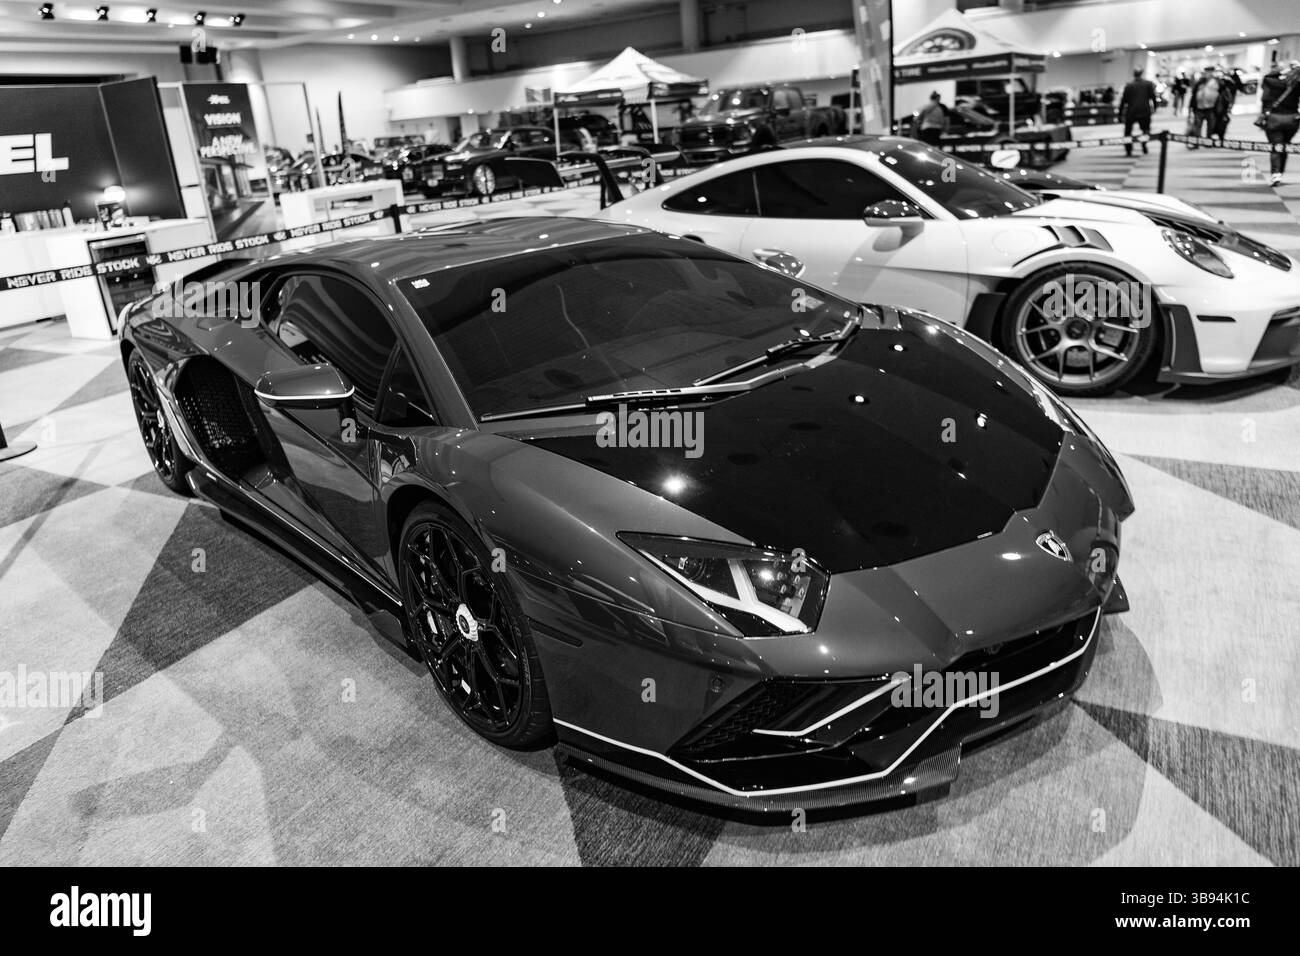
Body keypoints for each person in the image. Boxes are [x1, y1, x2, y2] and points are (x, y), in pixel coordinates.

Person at [1260, 61, 1300, 185]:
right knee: (1285, 145)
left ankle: (1275, 173)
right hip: (1291, 119)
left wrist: (1281, 71)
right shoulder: (1296, 84)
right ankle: (1280, 172)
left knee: (1276, 146)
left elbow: (1267, 78)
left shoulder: (1272, 82)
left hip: (1274, 119)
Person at [1119, 68, 1158, 155]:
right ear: (1141, 74)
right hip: (1145, 111)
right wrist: (1155, 107)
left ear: (1134, 74)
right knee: (1145, 130)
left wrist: (1120, 113)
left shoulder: (1129, 85)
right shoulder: (1148, 84)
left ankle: (1128, 149)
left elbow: (1123, 101)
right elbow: (1153, 97)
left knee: (1128, 132)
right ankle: (1144, 145)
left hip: (1131, 111)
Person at [1188, 68, 1223, 143]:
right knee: (1197, 126)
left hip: (1211, 108)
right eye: (1207, 72)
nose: (1208, 74)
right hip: (1199, 108)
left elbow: (1222, 92)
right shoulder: (1200, 82)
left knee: (1210, 126)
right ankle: (1197, 140)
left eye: (1210, 72)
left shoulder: (1217, 81)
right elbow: (1194, 94)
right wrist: (1191, 106)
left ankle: (1208, 140)